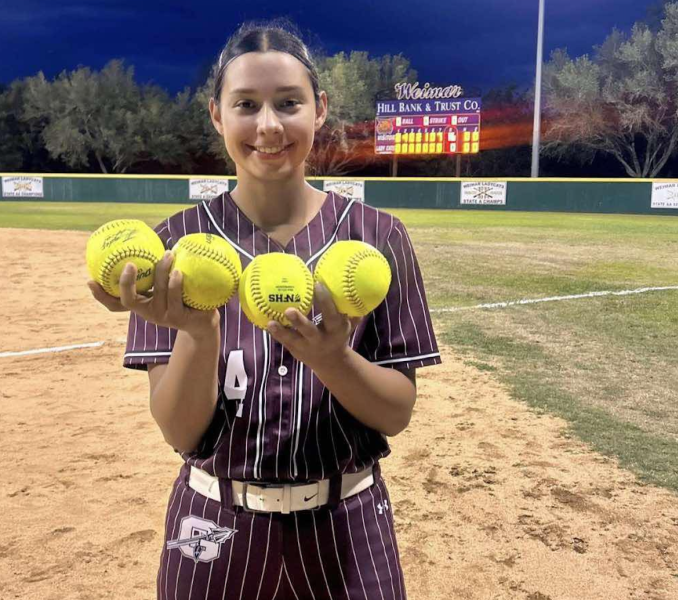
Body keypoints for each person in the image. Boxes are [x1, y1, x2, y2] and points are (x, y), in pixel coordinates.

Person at [88, 18, 441, 600]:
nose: (269, 126)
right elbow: (178, 428)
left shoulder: (378, 238)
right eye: (246, 104)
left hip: (347, 526)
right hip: (211, 525)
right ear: (217, 115)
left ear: (320, 109)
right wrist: (199, 334)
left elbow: (396, 414)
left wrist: (334, 361)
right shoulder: (172, 247)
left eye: (289, 103)